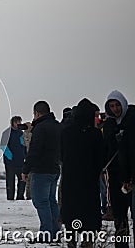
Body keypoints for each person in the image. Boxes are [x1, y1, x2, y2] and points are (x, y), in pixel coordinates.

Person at [60, 98, 104, 248]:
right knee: (89, 215)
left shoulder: (66, 132)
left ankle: (71, 239)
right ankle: (87, 241)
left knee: (71, 212)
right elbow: (101, 158)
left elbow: (61, 155)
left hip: (70, 180)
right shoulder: (95, 134)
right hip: (89, 181)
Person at [22, 101, 61, 243]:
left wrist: (26, 169)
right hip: (54, 169)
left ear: (36, 113)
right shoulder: (57, 126)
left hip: (41, 171)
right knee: (51, 201)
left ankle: (46, 234)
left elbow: (34, 150)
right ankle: (55, 231)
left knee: (41, 202)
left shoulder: (40, 129)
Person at [103, 90, 135, 248]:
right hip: (116, 176)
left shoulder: (132, 119)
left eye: (117, 105)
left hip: (132, 176)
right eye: (112, 106)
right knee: (120, 217)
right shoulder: (108, 125)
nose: (115, 109)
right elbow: (106, 149)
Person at [0, 116, 27, 200]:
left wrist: (25, 156)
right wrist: (10, 157)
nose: (18, 124)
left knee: (22, 180)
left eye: (19, 122)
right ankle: (10, 197)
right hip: (10, 162)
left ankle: (20, 197)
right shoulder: (6, 133)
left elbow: (24, 146)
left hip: (20, 161)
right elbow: (3, 146)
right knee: (10, 181)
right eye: (16, 122)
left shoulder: (21, 133)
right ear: (12, 122)